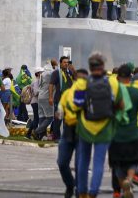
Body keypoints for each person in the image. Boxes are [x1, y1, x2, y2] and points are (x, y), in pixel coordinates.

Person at [71, 53, 123, 198]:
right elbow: (121, 104)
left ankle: (82, 192)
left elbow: (76, 106)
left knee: (83, 161)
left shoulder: (82, 83)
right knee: (98, 162)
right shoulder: (113, 83)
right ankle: (93, 192)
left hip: (85, 127)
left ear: (90, 66)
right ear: (103, 66)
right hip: (105, 127)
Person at [110, 64, 138, 198]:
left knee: (117, 164)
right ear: (131, 77)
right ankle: (129, 180)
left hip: (116, 135)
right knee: (133, 162)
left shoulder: (113, 93)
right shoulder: (137, 93)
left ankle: (121, 185)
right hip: (132, 134)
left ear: (117, 77)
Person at [56, 68, 84, 198]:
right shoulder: (67, 93)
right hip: (68, 132)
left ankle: (79, 190)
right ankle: (70, 185)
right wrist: (59, 112)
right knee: (62, 162)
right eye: (78, 79)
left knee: (80, 165)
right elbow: (60, 110)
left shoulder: (90, 94)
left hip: (83, 133)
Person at [49, 56, 73, 141]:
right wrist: (50, 97)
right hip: (59, 100)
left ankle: (66, 137)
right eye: (64, 62)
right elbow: (51, 85)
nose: (66, 64)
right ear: (60, 63)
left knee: (67, 120)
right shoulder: (56, 73)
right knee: (58, 120)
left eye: (67, 62)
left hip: (68, 101)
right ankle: (57, 137)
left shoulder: (70, 73)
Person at [34, 63, 54, 140]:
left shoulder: (42, 75)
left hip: (40, 97)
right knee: (50, 117)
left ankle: (41, 136)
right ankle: (36, 131)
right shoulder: (50, 73)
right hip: (47, 97)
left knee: (42, 117)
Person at [25, 67, 43, 139]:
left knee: (36, 118)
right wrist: (44, 91)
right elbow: (35, 92)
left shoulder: (38, 81)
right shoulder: (36, 81)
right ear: (38, 73)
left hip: (36, 102)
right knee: (36, 119)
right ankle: (34, 134)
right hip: (35, 102)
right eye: (41, 72)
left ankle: (29, 134)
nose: (43, 74)